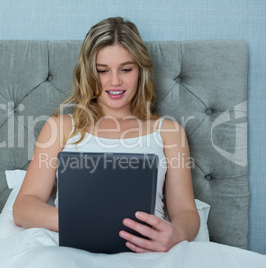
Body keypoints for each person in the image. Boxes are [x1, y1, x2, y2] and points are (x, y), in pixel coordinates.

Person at [13, 16, 200, 253]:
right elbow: (24, 206)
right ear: (88, 74)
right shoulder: (59, 127)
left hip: (145, 253)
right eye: (102, 71)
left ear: (140, 71)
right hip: (73, 250)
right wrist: (78, 222)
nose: (114, 81)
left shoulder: (169, 132)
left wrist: (176, 234)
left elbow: (186, 211)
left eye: (126, 69)